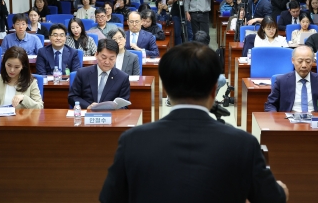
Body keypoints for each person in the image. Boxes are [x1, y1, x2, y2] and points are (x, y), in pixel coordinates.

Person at [99, 41, 288, 203]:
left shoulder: (133, 140)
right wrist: (282, 188)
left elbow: (109, 198)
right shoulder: (244, 143)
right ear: (215, 89)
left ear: (165, 87)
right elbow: (273, 199)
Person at [265, 45, 318, 112]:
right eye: (300, 61)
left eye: (308, 61)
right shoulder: (281, 81)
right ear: (293, 60)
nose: (304, 65)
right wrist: (275, 118)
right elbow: (270, 104)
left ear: (313, 61)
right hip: (288, 121)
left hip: (314, 120)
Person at [68, 39, 130, 109]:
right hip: (87, 115)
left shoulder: (122, 78)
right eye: (104, 57)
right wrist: (88, 106)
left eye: (111, 58)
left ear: (116, 57)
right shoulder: (83, 73)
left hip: (110, 117)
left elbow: (124, 105)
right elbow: (72, 97)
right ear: (97, 54)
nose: (107, 62)